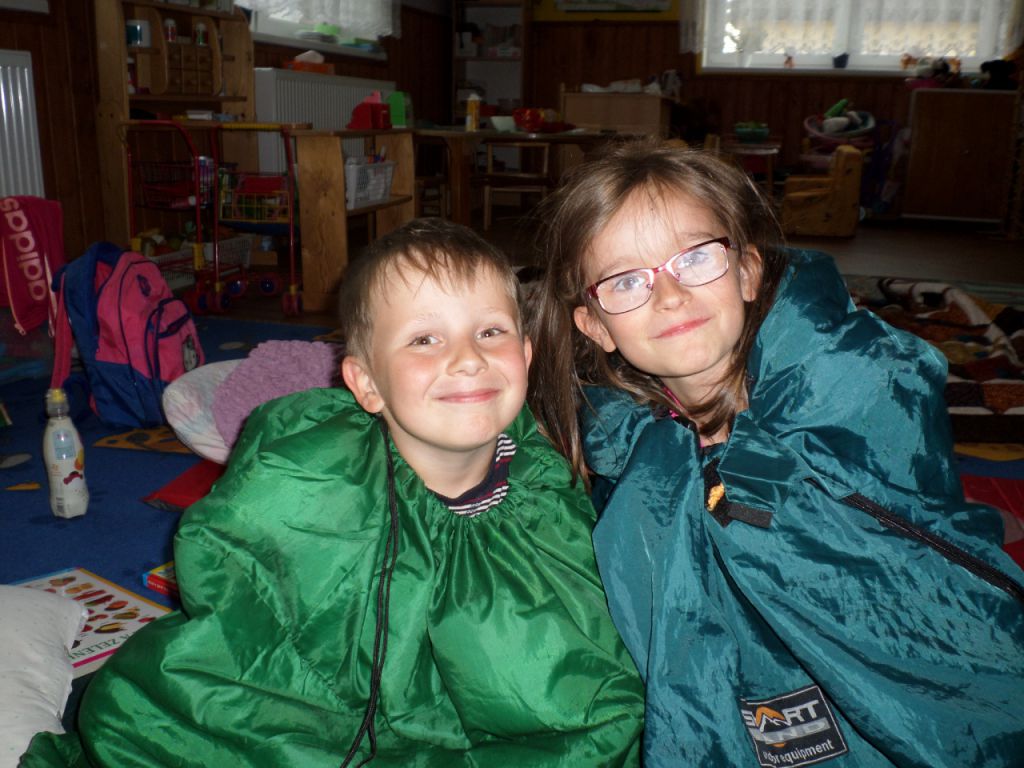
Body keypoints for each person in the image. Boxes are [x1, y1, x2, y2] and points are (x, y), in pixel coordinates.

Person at [23, 219, 644, 767]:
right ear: (366, 384)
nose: (467, 359)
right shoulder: (318, 481)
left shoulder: (546, 479)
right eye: (424, 340)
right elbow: (243, 597)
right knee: (146, 719)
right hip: (336, 706)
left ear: (526, 356)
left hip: (476, 701)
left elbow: (576, 642)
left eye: (490, 332)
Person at [527, 140, 1024, 767]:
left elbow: (904, 572)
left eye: (695, 257)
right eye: (627, 280)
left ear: (747, 271)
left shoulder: (850, 385)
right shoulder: (629, 445)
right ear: (597, 326)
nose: (669, 295)